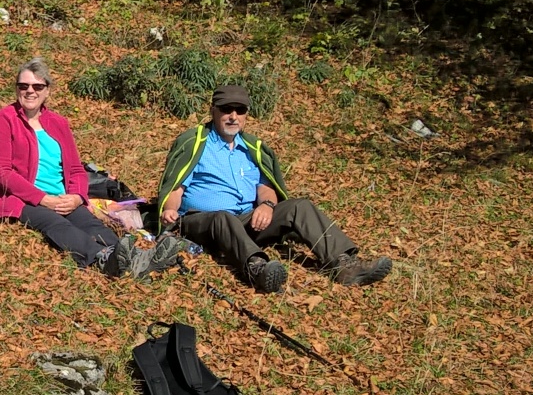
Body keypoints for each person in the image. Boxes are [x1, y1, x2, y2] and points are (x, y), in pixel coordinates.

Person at [158, 84, 393, 293]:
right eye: (226, 109)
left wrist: (268, 206)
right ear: (213, 110)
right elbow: (176, 187)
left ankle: (344, 265)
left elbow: (265, 187)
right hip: (202, 222)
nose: (233, 116)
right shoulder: (196, 143)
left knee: (300, 206)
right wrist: (170, 210)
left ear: (246, 114)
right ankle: (257, 269)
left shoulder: (252, 148)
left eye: (240, 110)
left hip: (244, 220)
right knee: (222, 217)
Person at [0, 58, 119, 268]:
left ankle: (127, 254)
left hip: (60, 196)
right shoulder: (2, 120)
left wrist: (77, 197)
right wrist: (42, 199)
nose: (30, 91)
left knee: (91, 223)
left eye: (37, 86)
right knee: (55, 223)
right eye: (23, 86)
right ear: (16, 89)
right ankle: (102, 259)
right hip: (21, 199)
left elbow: (75, 168)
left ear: (47, 91)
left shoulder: (58, 123)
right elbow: (0, 171)